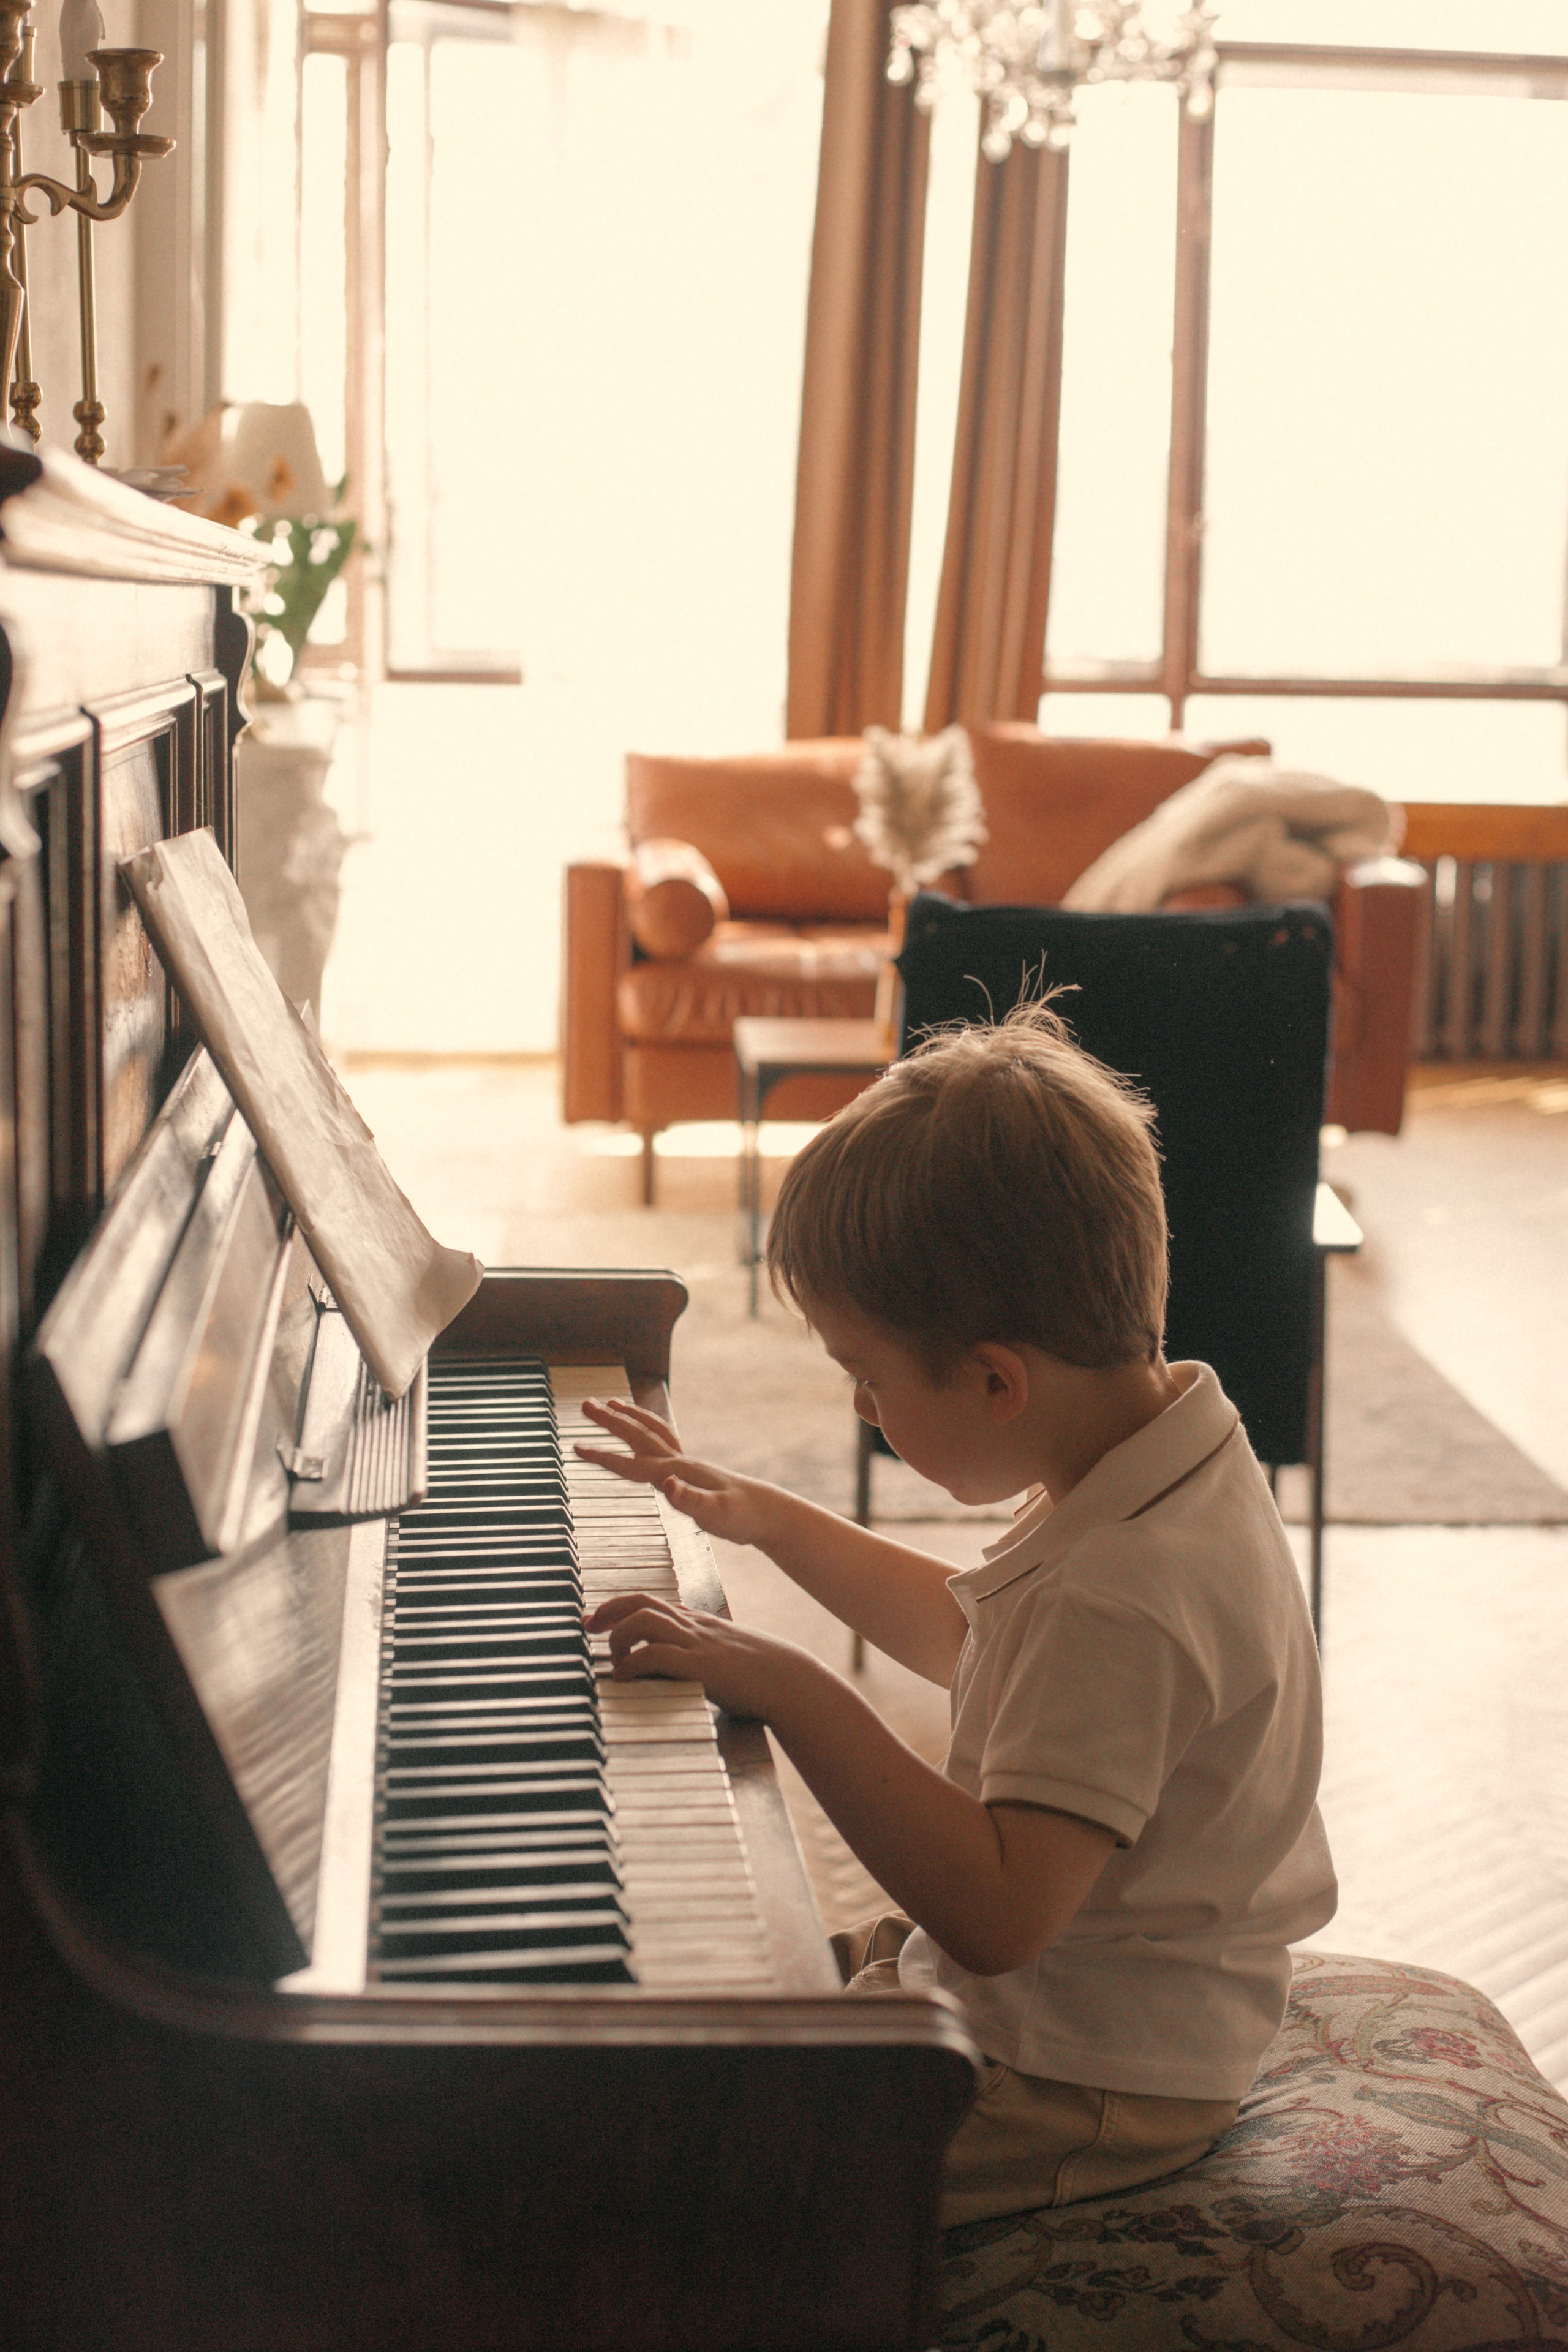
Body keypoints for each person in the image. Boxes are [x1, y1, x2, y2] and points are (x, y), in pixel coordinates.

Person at [576, 1003, 1336, 2225]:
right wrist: (767, 1519)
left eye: (866, 1377)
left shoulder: (1121, 1593)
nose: (863, 1409)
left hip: (1080, 2078)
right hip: (1083, 2012)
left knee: (711, 2198)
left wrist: (794, 1690)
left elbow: (996, 1914)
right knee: (709, 2015)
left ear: (994, 1381)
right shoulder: (1160, 1458)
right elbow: (976, 1643)